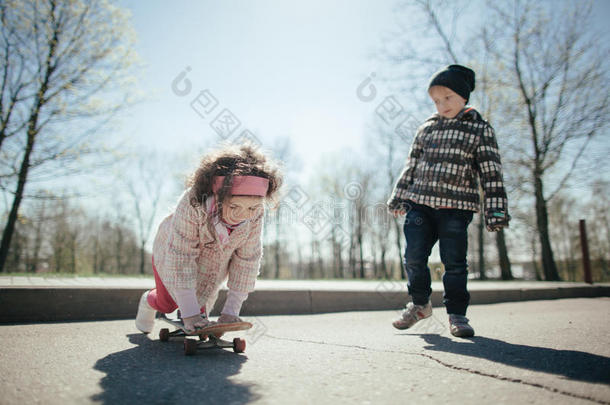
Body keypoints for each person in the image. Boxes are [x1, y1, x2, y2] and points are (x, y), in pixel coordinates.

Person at [387, 64, 510, 337]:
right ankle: (420, 304)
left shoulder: (479, 129)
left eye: (448, 98)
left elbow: (491, 174)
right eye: (436, 101)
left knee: (454, 262)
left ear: (464, 96)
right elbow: (411, 165)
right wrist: (399, 196)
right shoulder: (427, 129)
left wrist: (497, 211)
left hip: (456, 208)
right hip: (420, 205)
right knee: (413, 257)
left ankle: (457, 314)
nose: (442, 106)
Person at [135, 143, 282, 334]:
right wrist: (189, 315)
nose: (243, 215)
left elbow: (247, 260)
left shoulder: (255, 214)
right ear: (218, 194)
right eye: (235, 206)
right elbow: (181, 256)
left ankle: (196, 310)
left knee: (200, 305)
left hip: (212, 267)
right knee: (168, 303)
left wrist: (231, 311)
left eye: (252, 208)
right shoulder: (193, 203)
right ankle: (148, 301)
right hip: (171, 253)